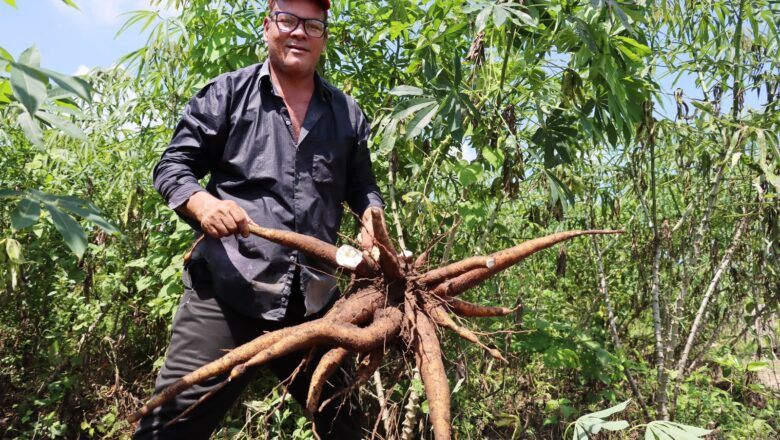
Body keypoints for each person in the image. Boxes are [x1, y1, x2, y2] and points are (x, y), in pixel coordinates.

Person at [133, 0, 387, 438]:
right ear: (268, 26)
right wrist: (202, 204)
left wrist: (371, 217)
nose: (299, 33)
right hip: (229, 292)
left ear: (324, 37)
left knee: (347, 428)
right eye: (287, 20)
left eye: (312, 25)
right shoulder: (227, 94)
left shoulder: (347, 114)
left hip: (313, 304)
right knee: (169, 428)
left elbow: (362, 186)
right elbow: (173, 167)